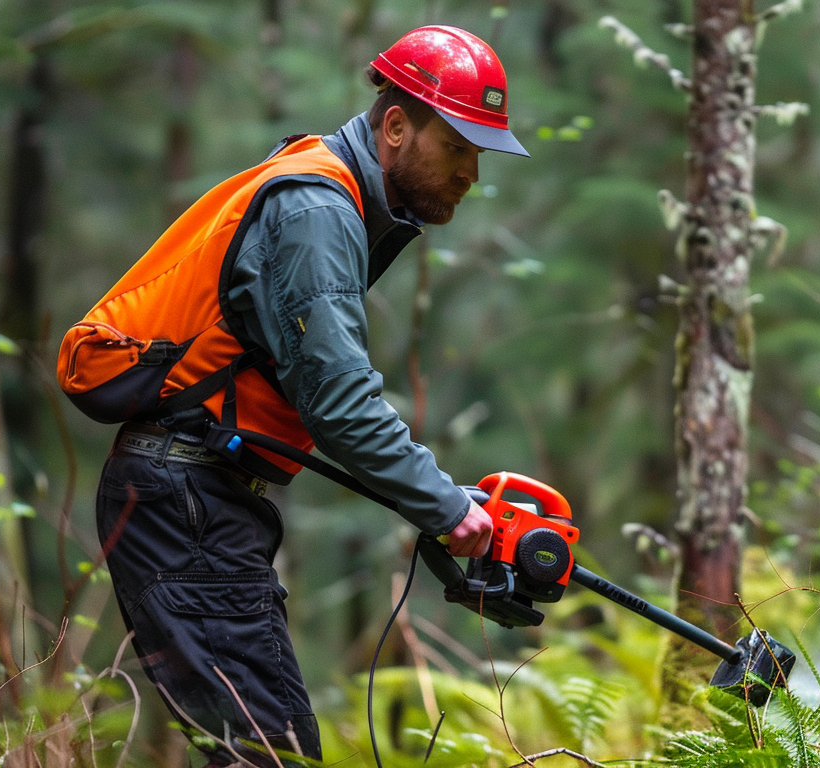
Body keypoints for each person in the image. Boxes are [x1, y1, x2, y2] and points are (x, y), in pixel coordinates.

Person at [56, 25, 526, 766]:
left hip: (200, 496)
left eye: (480, 152)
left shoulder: (328, 196)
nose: (472, 170)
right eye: (459, 145)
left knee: (258, 748)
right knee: (268, 752)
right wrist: (447, 508)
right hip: (185, 500)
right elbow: (338, 401)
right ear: (397, 126)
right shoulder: (317, 210)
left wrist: (441, 502)